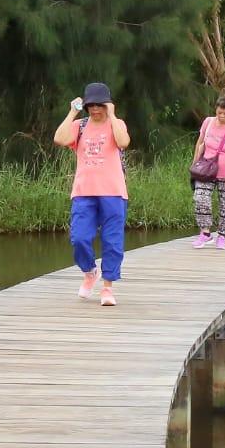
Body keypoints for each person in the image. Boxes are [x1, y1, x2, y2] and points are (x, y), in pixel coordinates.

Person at [53, 83, 131, 306]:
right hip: (84, 191)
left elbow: (124, 142)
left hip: (113, 192)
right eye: (91, 106)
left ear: (107, 104)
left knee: (112, 241)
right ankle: (89, 271)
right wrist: (72, 111)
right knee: (79, 238)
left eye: (100, 105)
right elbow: (59, 138)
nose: (96, 110)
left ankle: (107, 287)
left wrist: (113, 114)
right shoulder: (80, 125)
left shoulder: (116, 124)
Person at [191, 96, 225, 250]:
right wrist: (195, 163)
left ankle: (222, 236)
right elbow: (200, 142)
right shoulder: (208, 122)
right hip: (206, 170)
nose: (221, 116)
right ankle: (205, 233)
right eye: (219, 112)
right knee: (200, 198)